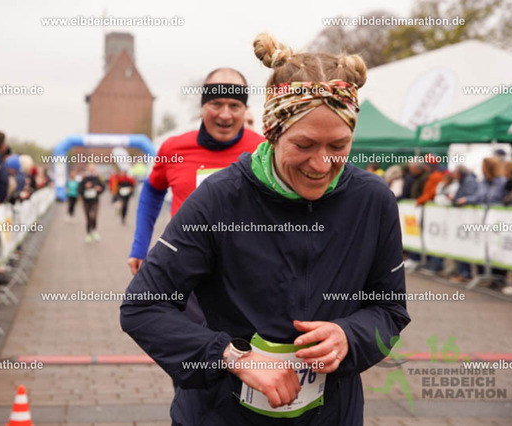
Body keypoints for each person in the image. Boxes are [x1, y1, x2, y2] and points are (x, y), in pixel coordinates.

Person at [120, 33, 410, 425]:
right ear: (272, 132)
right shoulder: (219, 198)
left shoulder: (372, 201)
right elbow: (143, 306)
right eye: (304, 145)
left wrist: (351, 336)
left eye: (338, 146)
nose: (321, 164)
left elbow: (388, 308)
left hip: (331, 415)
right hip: (220, 414)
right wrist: (234, 358)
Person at [128, 67, 264, 275]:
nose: (225, 115)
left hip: (244, 274)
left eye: (234, 105)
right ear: (203, 106)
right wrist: (140, 247)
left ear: (245, 110)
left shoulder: (264, 151)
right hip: (184, 271)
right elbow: (153, 190)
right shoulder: (173, 149)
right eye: (216, 104)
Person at [78, 164, 104, 242]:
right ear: (88, 169)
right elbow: (79, 189)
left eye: (93, 169)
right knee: (88, 217)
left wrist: (99, 189)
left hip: (95, 201)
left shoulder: (97, 178)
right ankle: (88, 233)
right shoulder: (84, 178)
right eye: (90, 169)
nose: (92, 170)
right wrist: (85, 187)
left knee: (94, 216)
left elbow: (103, 187)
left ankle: (94, 231)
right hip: (86, 201)